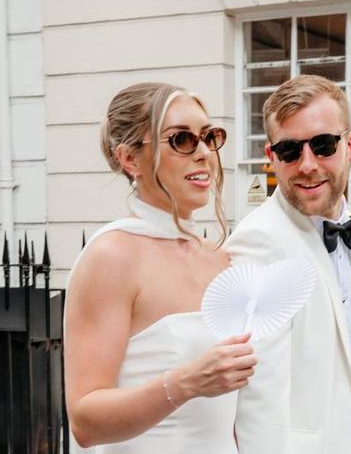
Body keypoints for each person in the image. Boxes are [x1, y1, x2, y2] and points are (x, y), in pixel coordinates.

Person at [63, 82, 257, 453]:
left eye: (209, 137)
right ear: (130, 159)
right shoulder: (112, 257)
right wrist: (186, 383)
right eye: (181, 140)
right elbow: (86, 421)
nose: (203, 153)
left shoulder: (220, 258)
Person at [226, 75, 351, 454]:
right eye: (291, 150)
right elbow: (256, 402)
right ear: (271, 156)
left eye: (323, 145)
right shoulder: (258, 242)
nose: (307, 165)